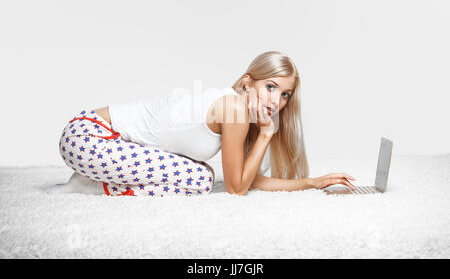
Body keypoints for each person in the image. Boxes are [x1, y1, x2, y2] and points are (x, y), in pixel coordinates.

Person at [46, 51, 355, 197]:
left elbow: (252, 182)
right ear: (248, 83)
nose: (277, 101)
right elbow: (236, 189)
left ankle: (97, 181)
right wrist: (265, 136)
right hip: (87, 135)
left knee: (200, 175)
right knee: (200, 179)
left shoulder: (239, 112)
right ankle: (95, 186)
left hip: (105, 141)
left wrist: (315, 182)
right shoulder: (232, 107)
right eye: (271, 87)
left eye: (285, 94)